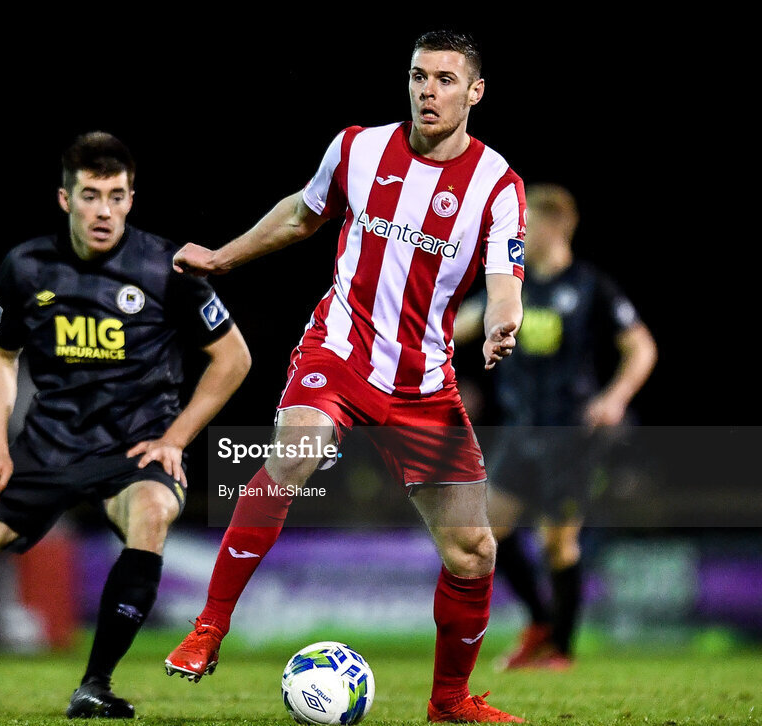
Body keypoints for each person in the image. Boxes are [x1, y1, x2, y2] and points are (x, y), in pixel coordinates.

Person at [165, 30, 528, 724]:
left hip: (425, 384)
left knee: (474, 551)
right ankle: (210, 626)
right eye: (420, 76)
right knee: (295, 451)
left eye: (447, 79)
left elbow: (504, 277)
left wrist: (505, 320)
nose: (429, 90)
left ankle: (450, 701)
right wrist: (223, 258)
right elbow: (303, 213)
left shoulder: (497, 183)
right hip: (339, 353)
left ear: (475, 91)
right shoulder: (358, 147)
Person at [0, 132, 251, 719]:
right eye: (91, 195)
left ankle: (94, 686)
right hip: (48, 445)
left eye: (117, 196)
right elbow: (1, 356)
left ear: (132, 199)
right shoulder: (25, 268)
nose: (104, 210)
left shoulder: (168, 267)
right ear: (64, 199)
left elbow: (234, 359)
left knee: (151, 514)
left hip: (136, 447)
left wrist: (175, 438)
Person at [453, 183, 657, 670]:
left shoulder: (591, 286)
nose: (518, 231)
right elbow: (453, 327)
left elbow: (642, 347)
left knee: (556, 540)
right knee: (483, 532)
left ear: (557, 226)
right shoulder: (510, 287)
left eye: (528, 223)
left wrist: (615, 397)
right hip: (521, 432)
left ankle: (561, 651)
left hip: (571, 434)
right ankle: (541, 622)